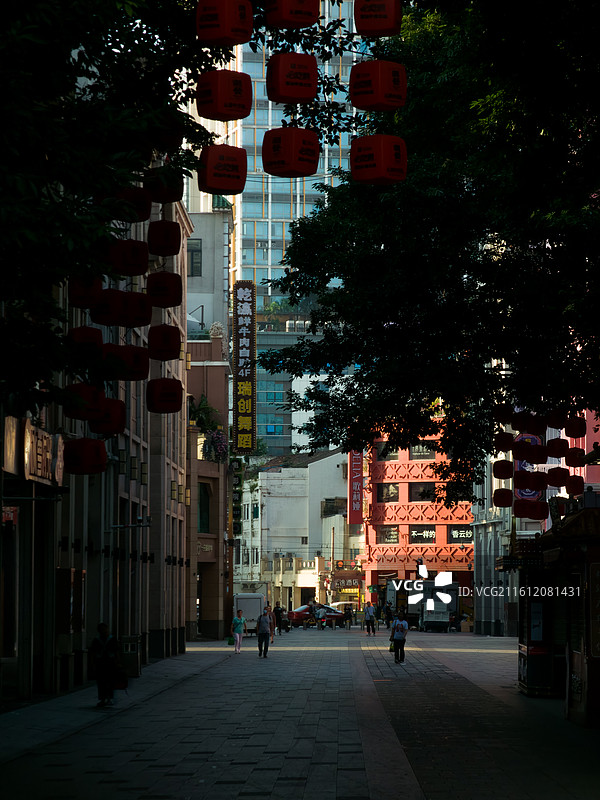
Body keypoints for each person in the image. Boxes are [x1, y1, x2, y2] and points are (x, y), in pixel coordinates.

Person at [89, 622, 120, 707]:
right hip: (101, 663)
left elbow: (116, 651)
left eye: (105, 629)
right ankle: (103, 699)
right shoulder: (97, 640)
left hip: (110, 663)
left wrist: (118, 662)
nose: (104, 631)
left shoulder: (112, 639)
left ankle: (109, 698)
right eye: (102, 630)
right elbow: (93, 653)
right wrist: (93, 664)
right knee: (101, 682)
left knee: (110, 681)